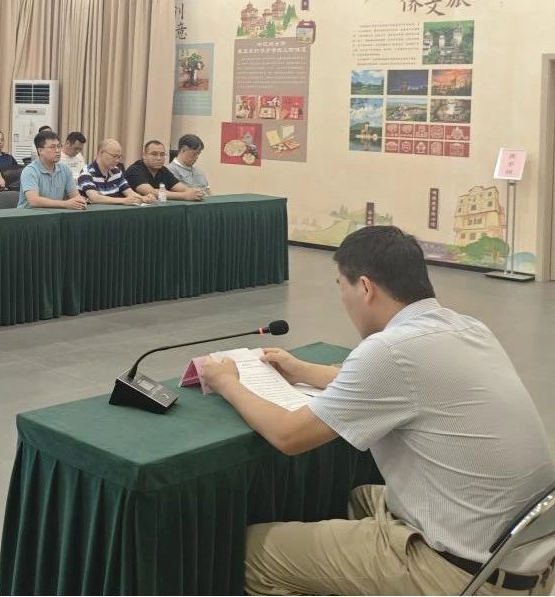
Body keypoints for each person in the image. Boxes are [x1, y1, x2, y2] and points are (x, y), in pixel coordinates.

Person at [198, 226, 555, 596]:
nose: (342, 298)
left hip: (459, 574)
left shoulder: (390, 350)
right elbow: (400, 387)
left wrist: (227, 382)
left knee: (251, 554)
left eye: (341, 286)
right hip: (516, 556)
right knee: (356, 498)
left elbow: (289, 435)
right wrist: (304, 371)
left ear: (365, 288)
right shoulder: (466, 327)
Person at [18, 130, 86, 210]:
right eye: (52, 147)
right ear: (40, 151)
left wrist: (80, 201)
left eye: (59, 146)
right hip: (30, 215)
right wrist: (65, 204)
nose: (57, 150)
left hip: (55, 214)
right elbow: (34, 201)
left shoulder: (65, 170)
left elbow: (75, 196)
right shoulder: (30, 171)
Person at [77, 139, 156, 205]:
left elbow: (129, 192)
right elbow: (95, 198)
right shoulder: (86, 172)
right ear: (101, 153)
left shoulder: (116, 171)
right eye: (114, 156)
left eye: (119, 157)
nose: (117, 160)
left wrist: (144, 198)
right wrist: (124, 200)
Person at [127, 140, 205, 202]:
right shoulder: (134, 170)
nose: (159, 158)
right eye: (154, 154)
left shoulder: (163, 170)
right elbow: (151, 192)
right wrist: (185, 196)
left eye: (162, 154)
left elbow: (182, 188)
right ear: (144, 155)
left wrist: (194, 192)